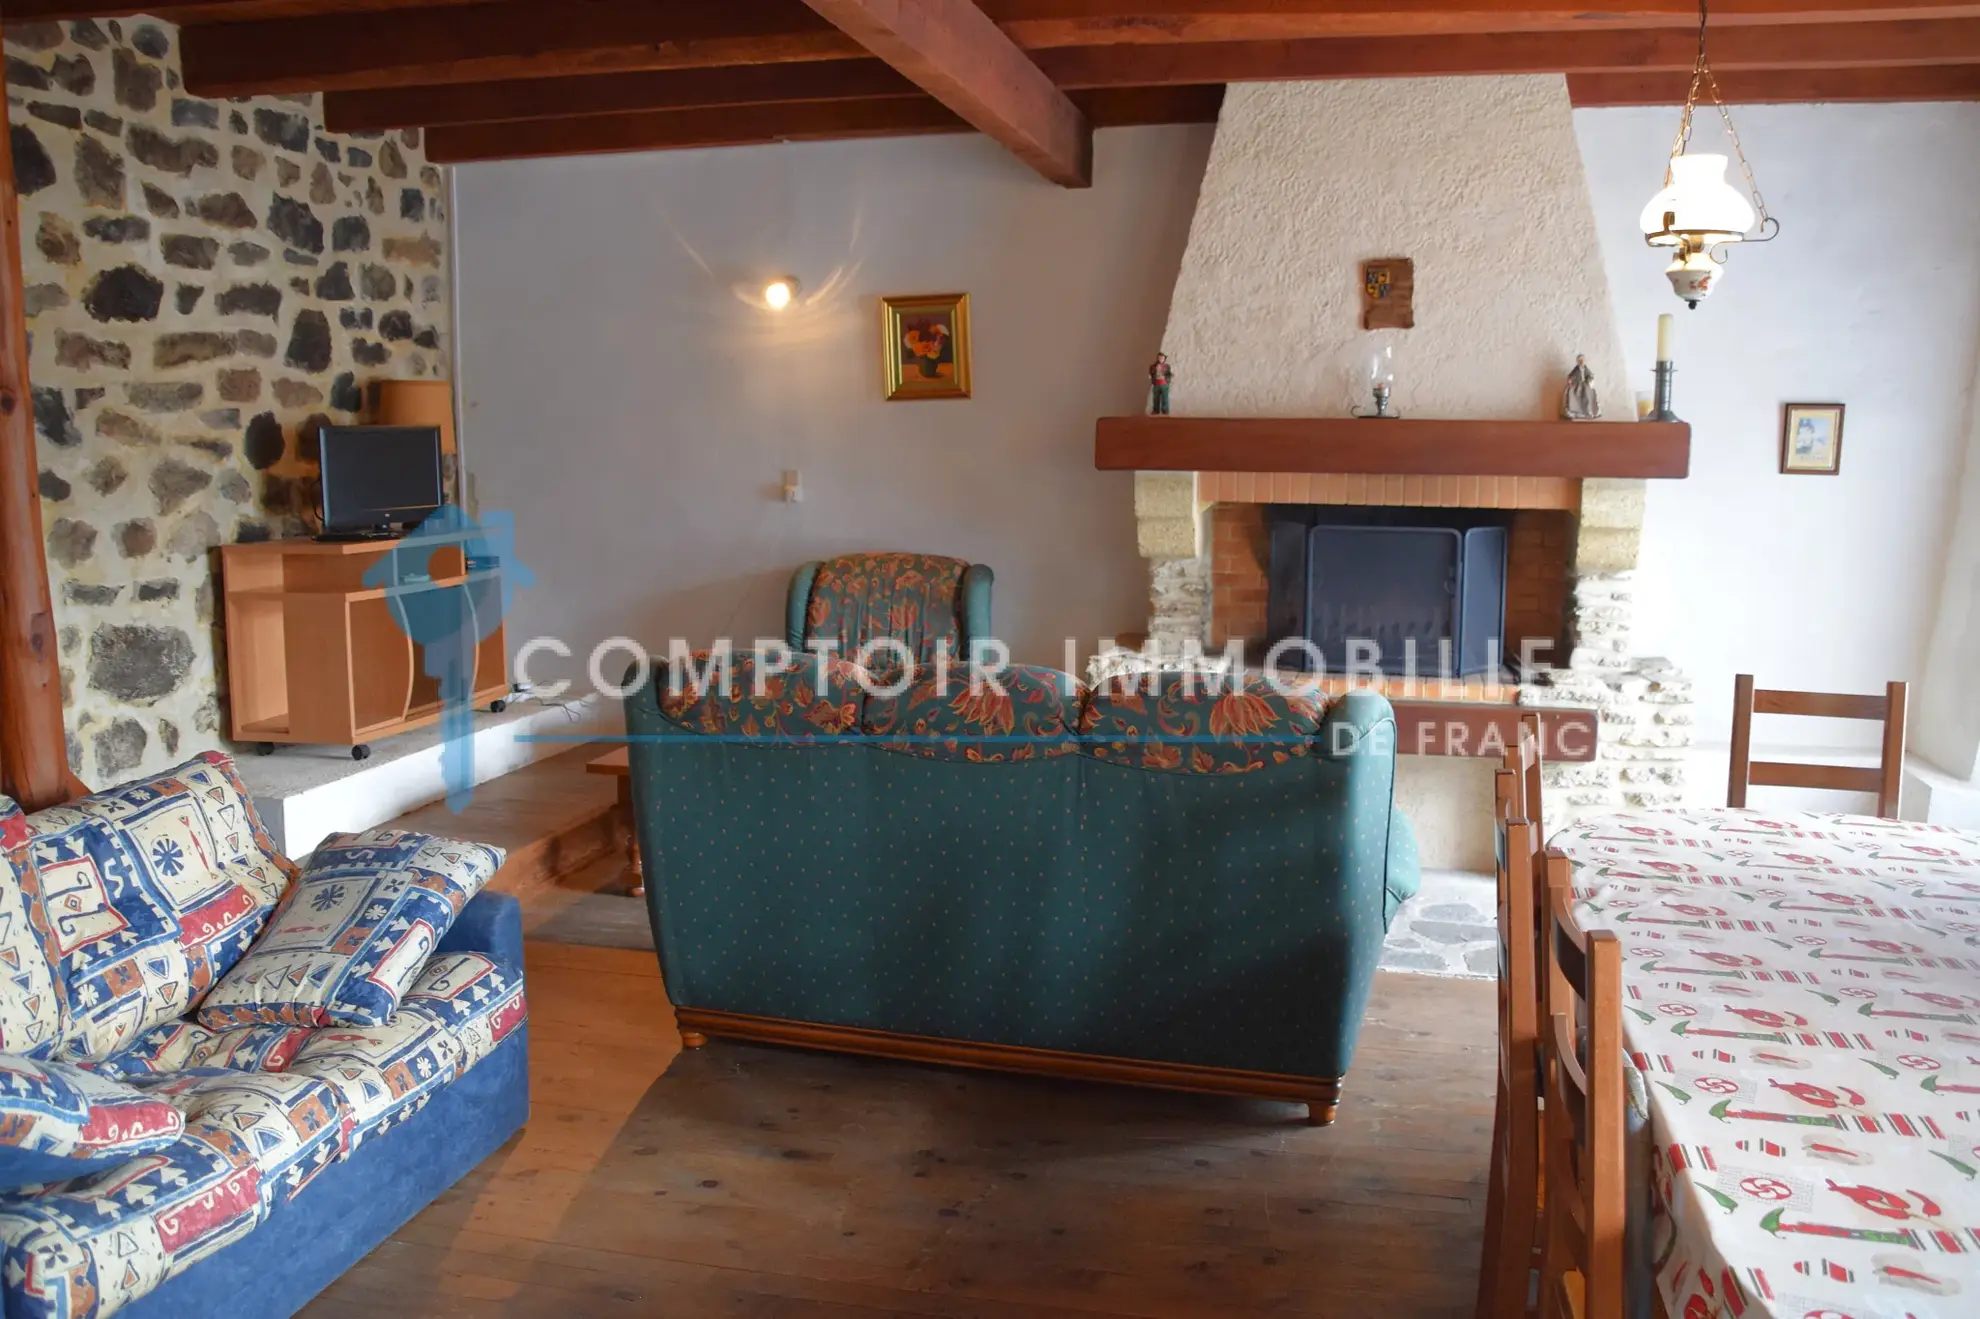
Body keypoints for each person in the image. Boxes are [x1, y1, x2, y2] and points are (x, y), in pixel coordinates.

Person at [1562, 354, 1599, 421]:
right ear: (1578, 361)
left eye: (1582, 361)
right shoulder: (1576, 369)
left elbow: (1590, 375)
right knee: (1574, 395)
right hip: (1577, 385)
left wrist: (1590, 380)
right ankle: (1575, 411)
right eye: (1580, 361)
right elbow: (1571, 375)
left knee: (1587, 395)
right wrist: (1570, 380)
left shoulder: (1586, 368)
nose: (1581, 362)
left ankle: (1588, 411)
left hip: (1585, 385)